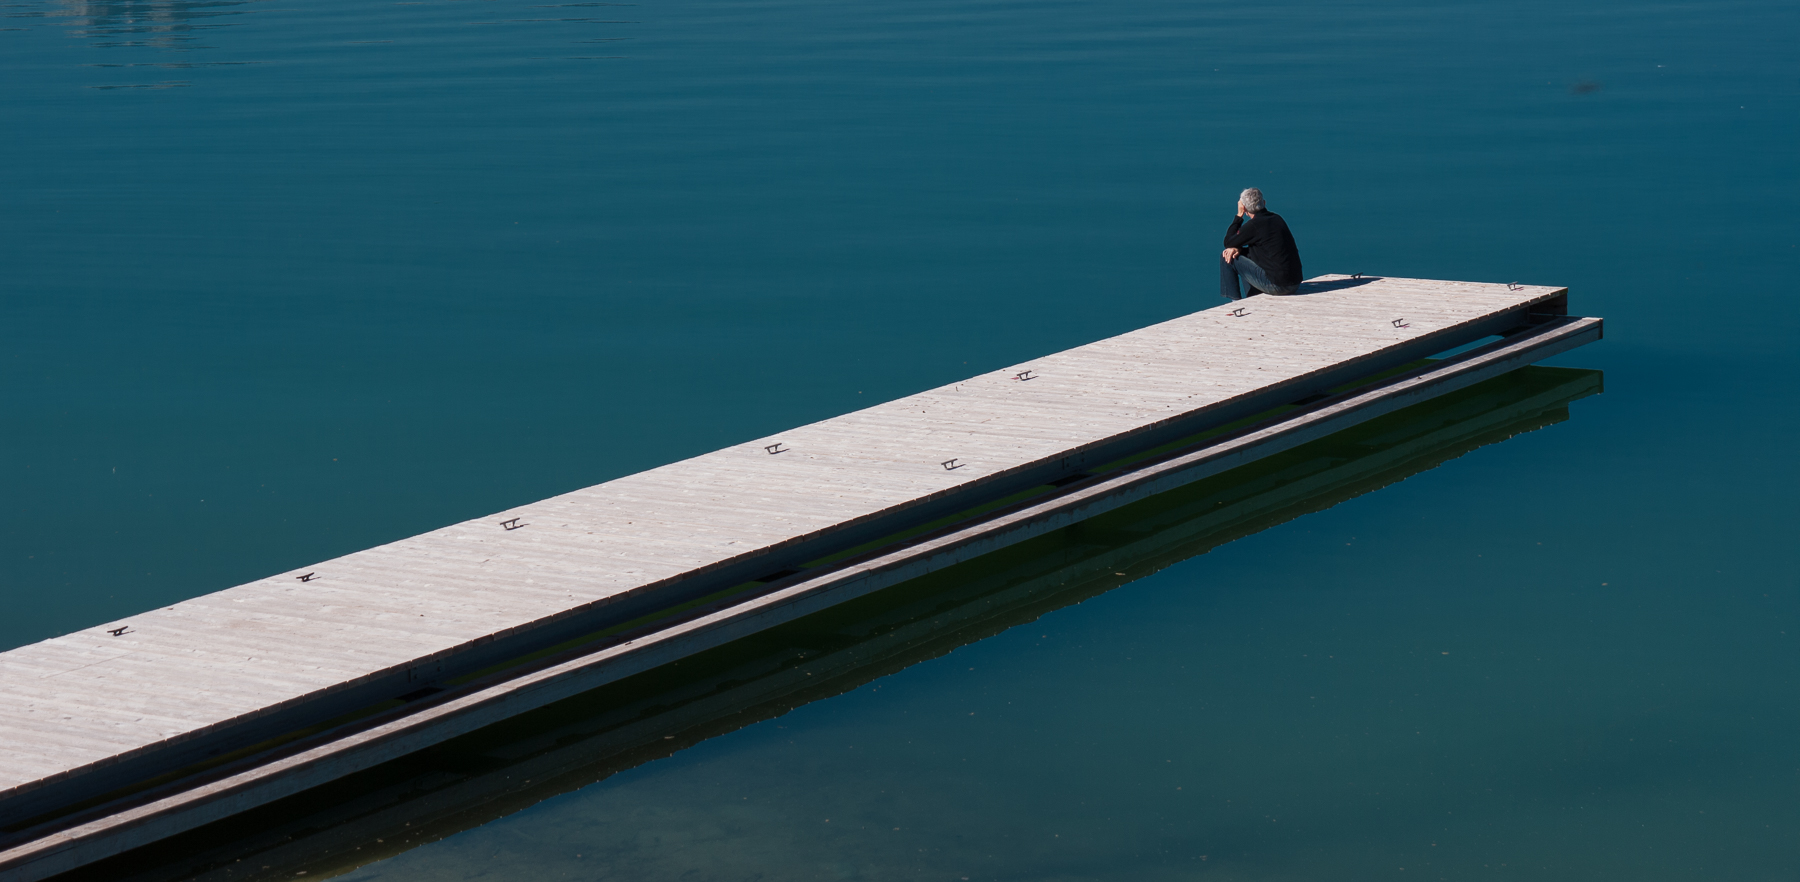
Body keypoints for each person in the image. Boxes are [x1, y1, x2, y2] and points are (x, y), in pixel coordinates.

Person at [1219, 188, 1302, 300]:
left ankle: (1235, 302)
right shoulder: (1277, 219)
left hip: (1278, 286)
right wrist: (1238, 249)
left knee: (1226, 257)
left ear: (1243, 207)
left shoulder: (1254, 226)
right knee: (1241, 255)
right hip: (1294, 283)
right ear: (1263, 203)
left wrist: (1239, 216)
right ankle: (1252, 298)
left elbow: (1228, 242)